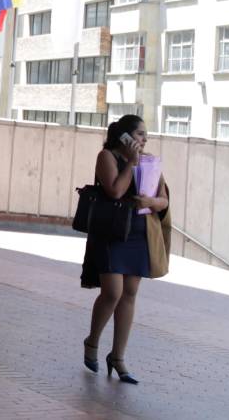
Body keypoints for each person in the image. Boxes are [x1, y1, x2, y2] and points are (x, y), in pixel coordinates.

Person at [81, 114, 171, 384]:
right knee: (113, 292)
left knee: (129, 295)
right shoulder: (107, 156)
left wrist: (151, 200)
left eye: (146, 136)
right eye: (141, 134)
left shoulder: (150, 160)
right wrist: (131, 163)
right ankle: (92, 342)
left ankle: (118, 357)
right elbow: (115, 192)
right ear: (126, 136)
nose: (145, 140)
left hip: (138, 235)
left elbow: (164, 199)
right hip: (111, 233)